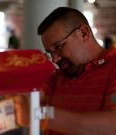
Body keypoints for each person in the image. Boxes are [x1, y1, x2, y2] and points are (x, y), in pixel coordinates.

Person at [35, 7, 116, 135]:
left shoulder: (113, 67)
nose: (55, 60)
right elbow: (28, 100)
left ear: (84, 33)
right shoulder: (59, 76)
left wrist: (40, 114)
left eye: (59, 47)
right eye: (51, 52)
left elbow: (112, 125)